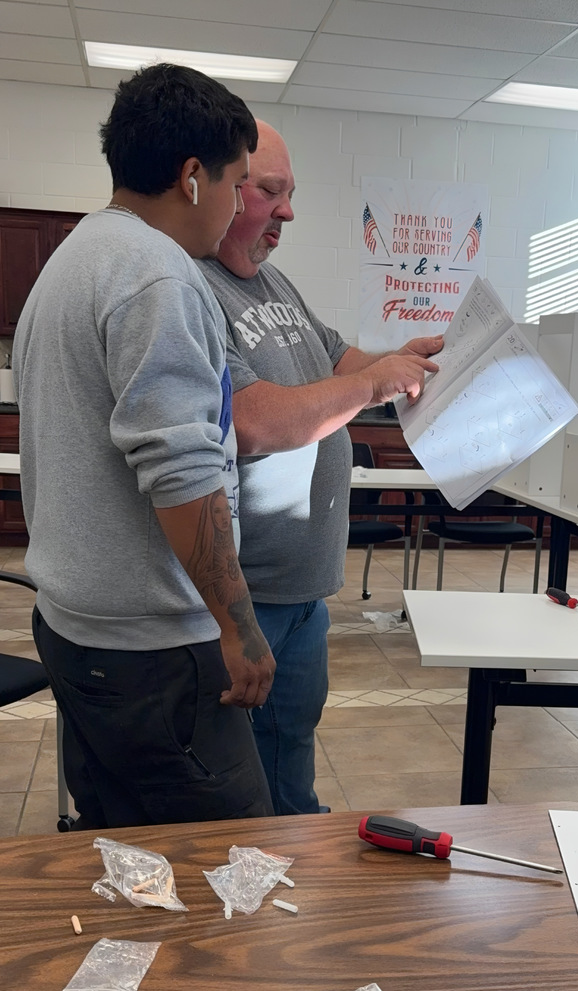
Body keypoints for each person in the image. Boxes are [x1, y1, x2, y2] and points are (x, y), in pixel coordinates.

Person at [12, 64, 276, 829]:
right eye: (236, 183)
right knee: (225, 867)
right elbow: (182, 471)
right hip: (157, 655)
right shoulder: (159, 275)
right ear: (193, 178)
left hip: (78, 629)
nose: (236, 207)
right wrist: (238, 627)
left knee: (123, 856)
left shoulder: (75, 257)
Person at [198, 121, 441, 815]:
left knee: (290, 749)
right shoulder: (192, 288)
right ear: (222, 187)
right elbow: (256, 422)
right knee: (238, 770)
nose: (288, 212)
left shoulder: (271, 282)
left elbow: (336, 360)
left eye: (291, 194)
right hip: (251, 595)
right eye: (271, 192)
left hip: (304, 594)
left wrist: (403, 360)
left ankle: (291, 850)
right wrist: (374, 386)